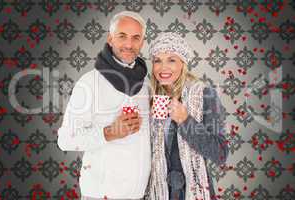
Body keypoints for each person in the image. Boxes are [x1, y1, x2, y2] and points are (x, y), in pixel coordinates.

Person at [57, 11, 151, 200]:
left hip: (139, 194)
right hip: (100, 194)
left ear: (142, 42)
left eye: (136, 38)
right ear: (110, 38)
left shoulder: (146, 84)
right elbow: (65, 139)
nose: (129, 44)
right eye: (122, 36)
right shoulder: (89, 83)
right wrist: (109, 132)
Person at [146, 32, 229, 200]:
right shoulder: (150, 97)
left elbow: (220, 154)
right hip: (157, 192)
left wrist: (185, 121)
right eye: (157, 60)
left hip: (192, 192)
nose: (163, 68)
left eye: (171, 60)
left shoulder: (205, 95)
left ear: (183, 64)